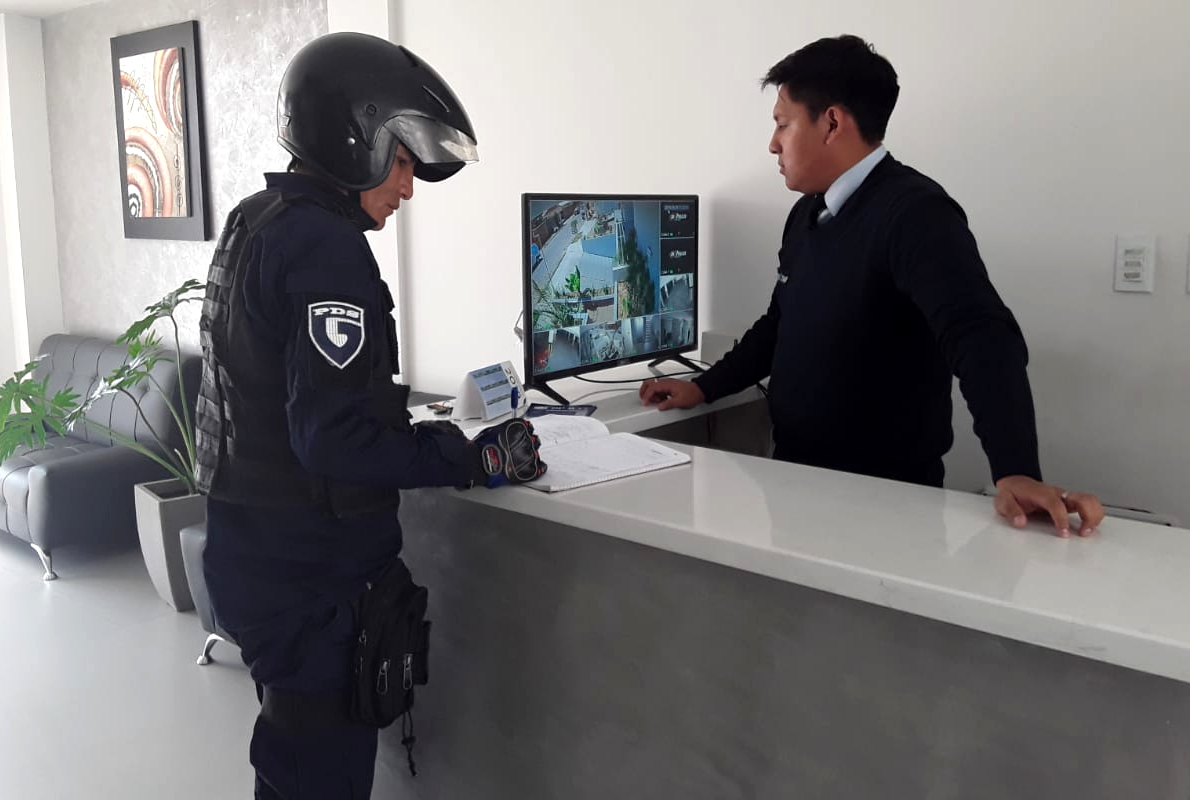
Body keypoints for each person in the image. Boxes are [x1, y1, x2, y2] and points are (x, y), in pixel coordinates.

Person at [193, 33, 543, 798]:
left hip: (253, 553)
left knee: (293, 762)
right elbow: (333, 439)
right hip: (310, 579)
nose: (408, 188)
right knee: (319, 774)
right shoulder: (326, 247)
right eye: (404, 162)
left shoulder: (257, 219)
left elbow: (274, 397)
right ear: (356, 140)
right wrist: (470, 456)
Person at [639, 35, 1103, 538]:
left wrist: (1015, 468)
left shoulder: (915, 214)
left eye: (782, 123)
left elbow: (981, 336)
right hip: (795, 482)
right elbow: (780, 323)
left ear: (831, 123)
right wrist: (704, 387)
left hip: (885, 502)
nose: (773, 143)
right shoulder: (807, 214)